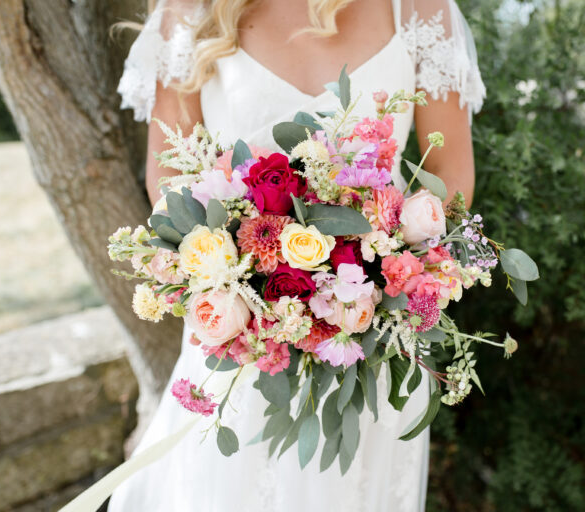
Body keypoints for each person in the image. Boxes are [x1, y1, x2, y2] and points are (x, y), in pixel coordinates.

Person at [109, 0, 485, 510]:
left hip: (374, 342)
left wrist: (383, 268)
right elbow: (169, 175)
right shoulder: (191, 12)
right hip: (240, 338)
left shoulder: (421, 12)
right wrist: (246, 285)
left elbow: (451, 176)